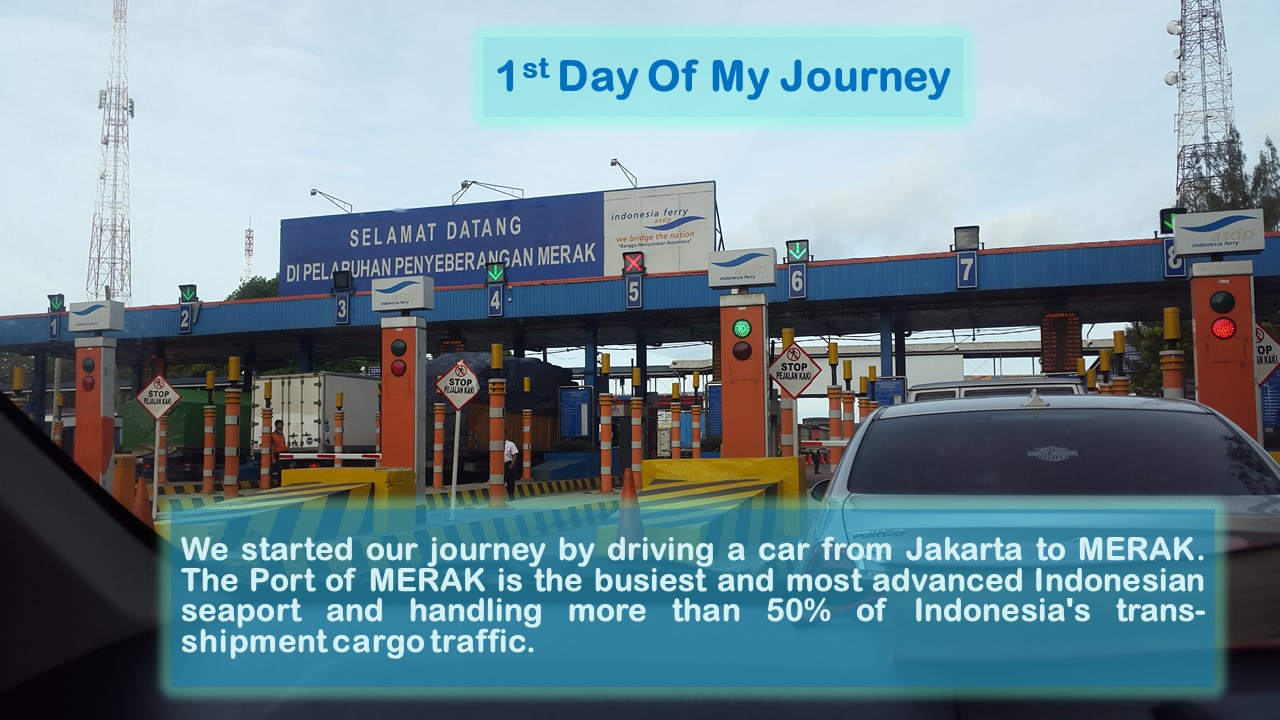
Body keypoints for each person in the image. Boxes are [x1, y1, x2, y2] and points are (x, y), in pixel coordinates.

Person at [268, 420, 288, 486]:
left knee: (285, 469)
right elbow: (272, 447)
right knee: (280, 469)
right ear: (276, 426)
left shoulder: (282, 434)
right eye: (280, 425)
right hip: (278, 454)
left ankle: (284, 482)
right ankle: (279, 483)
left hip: (284, 453)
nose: (282, 427)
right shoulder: (273, 435)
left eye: (282, 425)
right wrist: (273, 458)